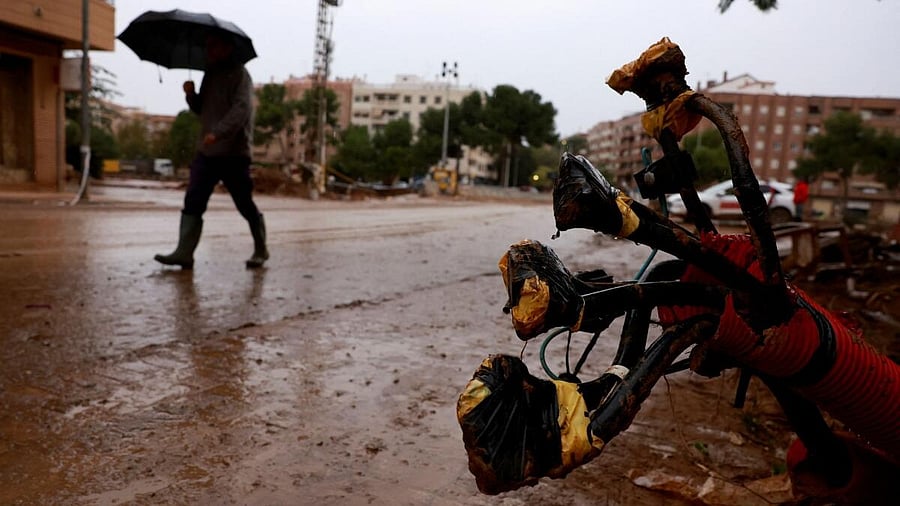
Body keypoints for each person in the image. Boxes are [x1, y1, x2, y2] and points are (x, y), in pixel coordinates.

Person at [155, 29, 268, 269]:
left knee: (244, 203)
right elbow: (201, 109)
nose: (209, 51)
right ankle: (184, 252)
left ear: (227, 47)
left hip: (234, 154)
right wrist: (190, 95)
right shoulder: (210, 73)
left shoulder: (240, 75)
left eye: (213, 46)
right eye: (207, 46)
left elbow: (241, 111)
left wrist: (218, 133)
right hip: (207, 153)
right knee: (193, 199)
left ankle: (261, 248)